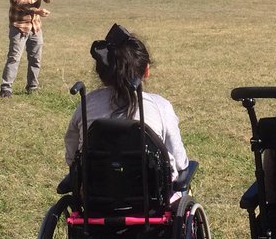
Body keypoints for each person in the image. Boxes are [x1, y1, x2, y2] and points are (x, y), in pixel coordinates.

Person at [63, 23, 189, 181]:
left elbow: (72, 154)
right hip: (151, 197)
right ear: (146, 71)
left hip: (95, 191)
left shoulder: (86, 105)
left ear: (101, 73)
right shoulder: (160, 107)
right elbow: (179, 162)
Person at [0, 0, 52, 98]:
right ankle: (6, 87)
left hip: (35, 27)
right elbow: (18, 3)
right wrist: (37, 11)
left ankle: (32, 86)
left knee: (36, 59)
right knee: (14, 57)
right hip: (19, 26)